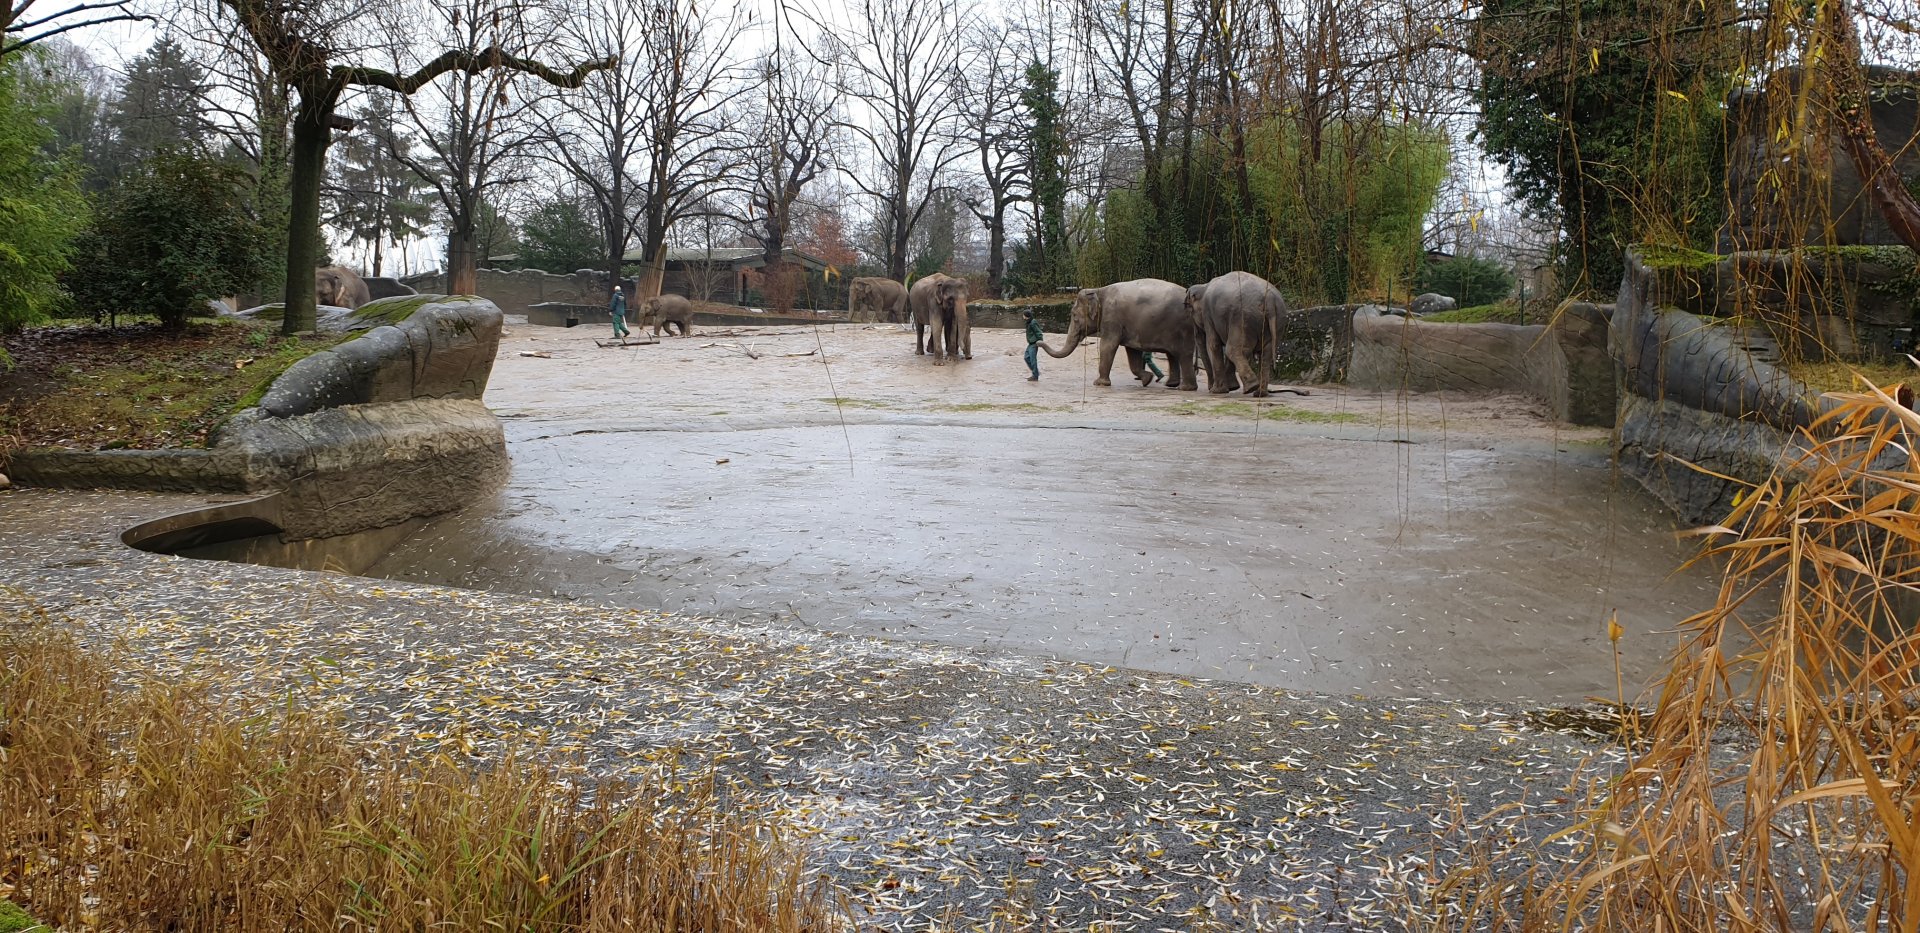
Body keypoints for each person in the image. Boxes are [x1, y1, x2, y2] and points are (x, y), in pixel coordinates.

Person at [1023, 309, 1042, 381]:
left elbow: (1038, 332)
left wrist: (1040, 341)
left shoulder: (1033, 322)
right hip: (1030, 343)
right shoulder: (1028, 322)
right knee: (1026, 357)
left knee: (1033, 360)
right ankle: (1035, 372)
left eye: (1023, 315)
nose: (1023, 316)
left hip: (1034, 343)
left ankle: (1035, 376)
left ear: (1025, 315)